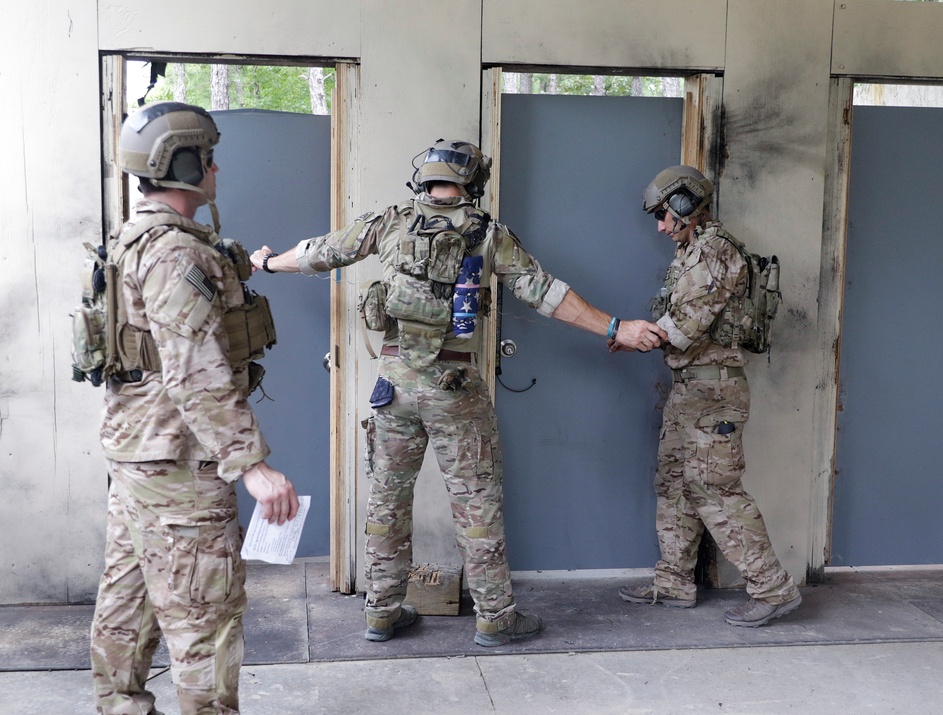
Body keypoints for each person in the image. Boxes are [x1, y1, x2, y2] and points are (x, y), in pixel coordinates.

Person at [250, 139, 666, 647]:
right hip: (456, 391)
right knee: (477, 505)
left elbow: (319, 253)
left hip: (394, 388)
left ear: (421, 178)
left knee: (386, 502)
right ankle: (495, 617)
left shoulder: (389, 223)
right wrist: (614, 328)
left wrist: (268, 264)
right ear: (472, 182)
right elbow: (545, 293)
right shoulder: (488, 234)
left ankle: (381, 611)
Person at [90, 101, 299, 715]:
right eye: (208, 158)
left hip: (136, 458)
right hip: (181, 469)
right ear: (183, 164)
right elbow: (193, 371)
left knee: (126, 608)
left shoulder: (130, 240)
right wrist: (251, 467)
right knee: (204, 624)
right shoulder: (177, 254)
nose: (216, 169)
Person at [616, 166, 801, 627]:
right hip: (692, 388)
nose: (660, 226)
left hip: (714, 389)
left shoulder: (715, 252)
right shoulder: (693, 251)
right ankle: (675, 581)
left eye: (663, 214)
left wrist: (635, 336)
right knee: (675, 481)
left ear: (685, 205)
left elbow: (686, 326)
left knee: (716, 489)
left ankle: (773, 589)